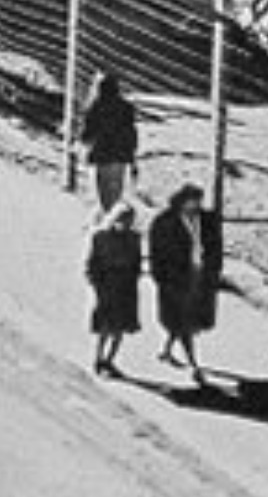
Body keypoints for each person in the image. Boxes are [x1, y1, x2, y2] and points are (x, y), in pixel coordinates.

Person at [148, 183, 224, 385]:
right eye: (192, 200)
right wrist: (161, 278)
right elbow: (156, 254)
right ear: (182, 201)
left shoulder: (208, 221)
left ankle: (167, 350)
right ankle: (194, 364)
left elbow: (216, 248)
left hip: (200, 277)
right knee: (182, 320)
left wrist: (214, 273)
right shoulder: (165, 222)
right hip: (175, 279)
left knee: (188, 318)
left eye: (198, 201)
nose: (196, 205)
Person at [85, 201, 143, 377]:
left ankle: (110, 360)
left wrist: (134, 278)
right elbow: (92, 263)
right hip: (107, 285)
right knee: (105, 326)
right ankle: (98, 358)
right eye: (123, 219)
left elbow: (136, 262)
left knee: (120, 327)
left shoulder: (134, 238)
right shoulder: (101, 237)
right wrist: (96, 284)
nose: (125, 224)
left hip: (125, 287)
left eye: (129, 220)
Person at [80, 72, 139, 210]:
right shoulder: (126, 108)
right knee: (116, 190)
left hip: (103, 155)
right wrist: (132, 154)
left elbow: (89, 131)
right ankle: (114, 218)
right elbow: (131, 132)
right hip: (121, 155)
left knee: (105, 193)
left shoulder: (96, 107)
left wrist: (84, 140)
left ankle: (109, 219)